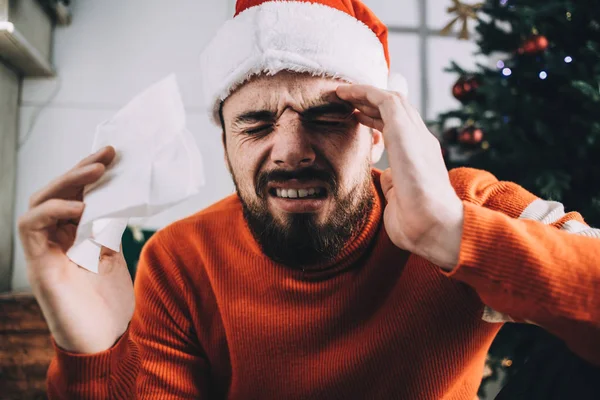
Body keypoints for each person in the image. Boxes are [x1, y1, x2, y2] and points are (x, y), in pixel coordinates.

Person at [18, 0, 600, 399]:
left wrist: (451, 235)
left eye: (327, 117)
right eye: (256, 124)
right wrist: (93, 354)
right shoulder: (181, 258)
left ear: (378, 134)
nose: (290, 151)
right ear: (226, 145)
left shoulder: (467, 204)